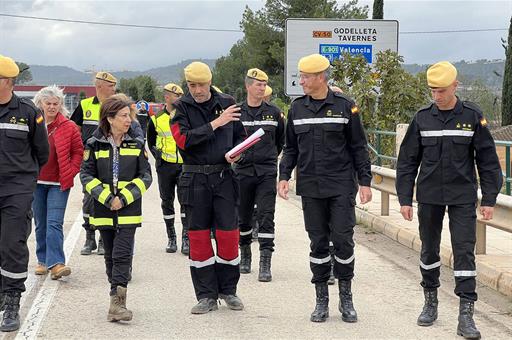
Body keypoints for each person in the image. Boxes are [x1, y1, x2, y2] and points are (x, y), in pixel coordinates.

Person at [396, 61, 502, 340]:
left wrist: (489, 199)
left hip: (462, 196)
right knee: (429, 251)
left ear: (455, 86)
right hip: (429, 195)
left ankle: (466, 315)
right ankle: (430, 302)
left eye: (442, 90)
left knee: (464, 252)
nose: (437, 96)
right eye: (433, 90)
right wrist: (405, 198)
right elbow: (407, 162)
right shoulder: (422, 118)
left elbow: (488, 161)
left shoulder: (471, 116)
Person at [278, 54, 372, 323]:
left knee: (343, 241)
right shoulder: (297, 109)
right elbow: (291, 148)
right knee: (318, 244)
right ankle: (321, 301)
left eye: (305, 77)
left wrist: (364, 182)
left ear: (321, 77)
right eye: (301, 76)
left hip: (341, 185)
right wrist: (284, 176)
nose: (301, 81)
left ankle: (346, 299)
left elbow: (358, 147)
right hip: (310, 186)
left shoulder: (345, 107)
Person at [171, 61, 246, 314]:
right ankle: (206, 296)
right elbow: (183, 141)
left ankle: (229, 290)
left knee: (228, 236)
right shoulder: (180, 107)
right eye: (192, 85)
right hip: (194, 181)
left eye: (201, 84)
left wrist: (238, 154)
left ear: (209, 82)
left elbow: (240, 137)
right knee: (199, 239)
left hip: (224, 178)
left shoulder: (227, 102)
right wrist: (216, 123)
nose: (197, 90)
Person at [80, 94, 152, 322]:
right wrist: (107, 198)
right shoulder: (93, 144)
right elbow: (86, 175)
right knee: (110, 255)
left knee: (122, 255)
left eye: (129, 115)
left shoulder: (137, 143)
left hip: (128, 208)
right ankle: (115, 296)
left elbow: (146, 176)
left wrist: (124, 197)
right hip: (103, 209)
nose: (128, 120)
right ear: (110, 118)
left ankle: (118, 304)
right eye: (123, 116)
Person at [0, 55, 49, 332]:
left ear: (7, 81)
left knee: (12, 243)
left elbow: (42, 152)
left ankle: (12, 301)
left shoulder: (28, 111)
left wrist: (25, 180)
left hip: (16, 189)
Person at [235, 68, 285, 282]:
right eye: (258, 84)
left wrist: (270, 159)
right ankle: (245, 253)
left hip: (266, 172)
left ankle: (265, 261)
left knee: (266, 216)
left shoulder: (274, 113)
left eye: (264, 84)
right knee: (243, 217)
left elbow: (280, 141)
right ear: (248, 86)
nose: (262, 88)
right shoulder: (236, 112)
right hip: (242, 172)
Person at [32, 85, 83, 280]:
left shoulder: (68, 126)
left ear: (60, 105)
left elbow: (78, 151)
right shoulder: (34, 123)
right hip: (36, 181)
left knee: (54, 222)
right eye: (48, 103)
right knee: (40, 223)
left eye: (56, 103)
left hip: (58, 183)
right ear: (40, 104)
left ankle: (56, 264)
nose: (52, 107)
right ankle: (42, 260)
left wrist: (71, 170)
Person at [71, 71, 117, 256]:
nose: (114, 88)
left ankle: (103, 240)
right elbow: (74, 130)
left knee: (108, 197)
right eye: (111, 85)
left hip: (111, 159)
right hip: (89, 161)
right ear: (99, 86)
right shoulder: (85, 105)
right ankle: (89, 237)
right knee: (89, 198)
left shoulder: (116, 106)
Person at [147, 83, 189, 254]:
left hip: (184, 166)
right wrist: (159, 157)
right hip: (165, 167)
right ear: (167, 97)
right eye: (176, 95)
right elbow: (151, 142)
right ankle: (171, 237)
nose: (179, 98)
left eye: (180, 95)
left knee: (186, 203)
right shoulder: (156, 119)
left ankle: (186, 239)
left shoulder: (185, 116)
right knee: (167, 201)